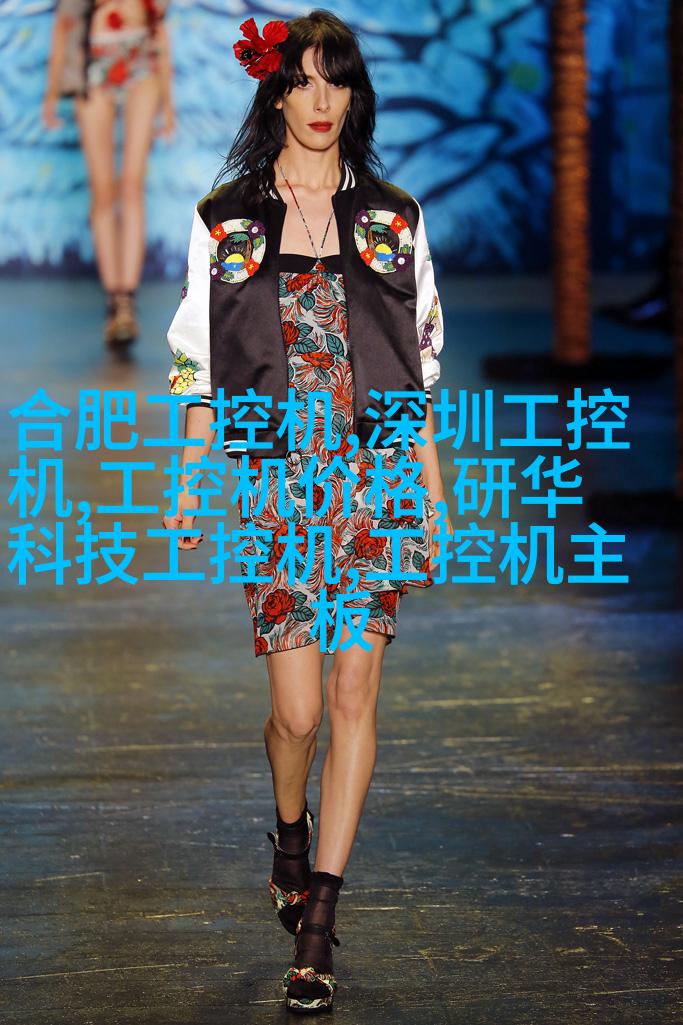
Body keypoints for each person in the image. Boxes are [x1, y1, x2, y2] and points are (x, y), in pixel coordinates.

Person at [162, 9, 453, 1013]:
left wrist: (432, 486)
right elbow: (199, 357)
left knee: (352, 691)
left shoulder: (392, 217)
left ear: (353, 95)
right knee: (294, 714)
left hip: (376, 474)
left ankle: (318, 923)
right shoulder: (226, 219)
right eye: (303, 81)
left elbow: (417, 360)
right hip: (274, 478)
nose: (321, 100)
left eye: (338, 81)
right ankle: (289, 832)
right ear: (275, 93)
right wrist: (191, 472)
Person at [42, 0, 174, 348]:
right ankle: (114, 299)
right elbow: (64, 24)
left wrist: (169, 104)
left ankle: (127, 299)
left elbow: (159, 28)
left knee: (131, 186)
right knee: (102, 191)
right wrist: (52, 93)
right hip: (92, 61)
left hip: (141, 60)